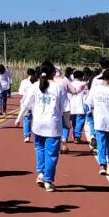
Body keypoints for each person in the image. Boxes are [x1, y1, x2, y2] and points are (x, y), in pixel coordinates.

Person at [15, 62, 67, 191]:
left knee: (40, 149)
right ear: (53, 73)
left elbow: (25, 104)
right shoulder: (58, 87)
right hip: (53, 125)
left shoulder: (34, 86)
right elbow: (65, 108)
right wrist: (68, 123)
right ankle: (48, 180)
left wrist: (18, 118)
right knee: (51, 154)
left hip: (38, 124)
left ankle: (41, 174)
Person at [86, 69, 109, 175]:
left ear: (103, 79)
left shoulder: (95, 89)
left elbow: (88, 103)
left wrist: (92, 111)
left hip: (99, 120)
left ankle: (102, 165)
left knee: (101, 143)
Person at [16, 68, 37, 143]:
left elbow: (21, 93)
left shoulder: (24, 82)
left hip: (26, 103)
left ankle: (27, 136)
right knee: (35, 120)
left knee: (26, 119)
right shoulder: (36, 82)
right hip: (35, 103)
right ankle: (37, 136)